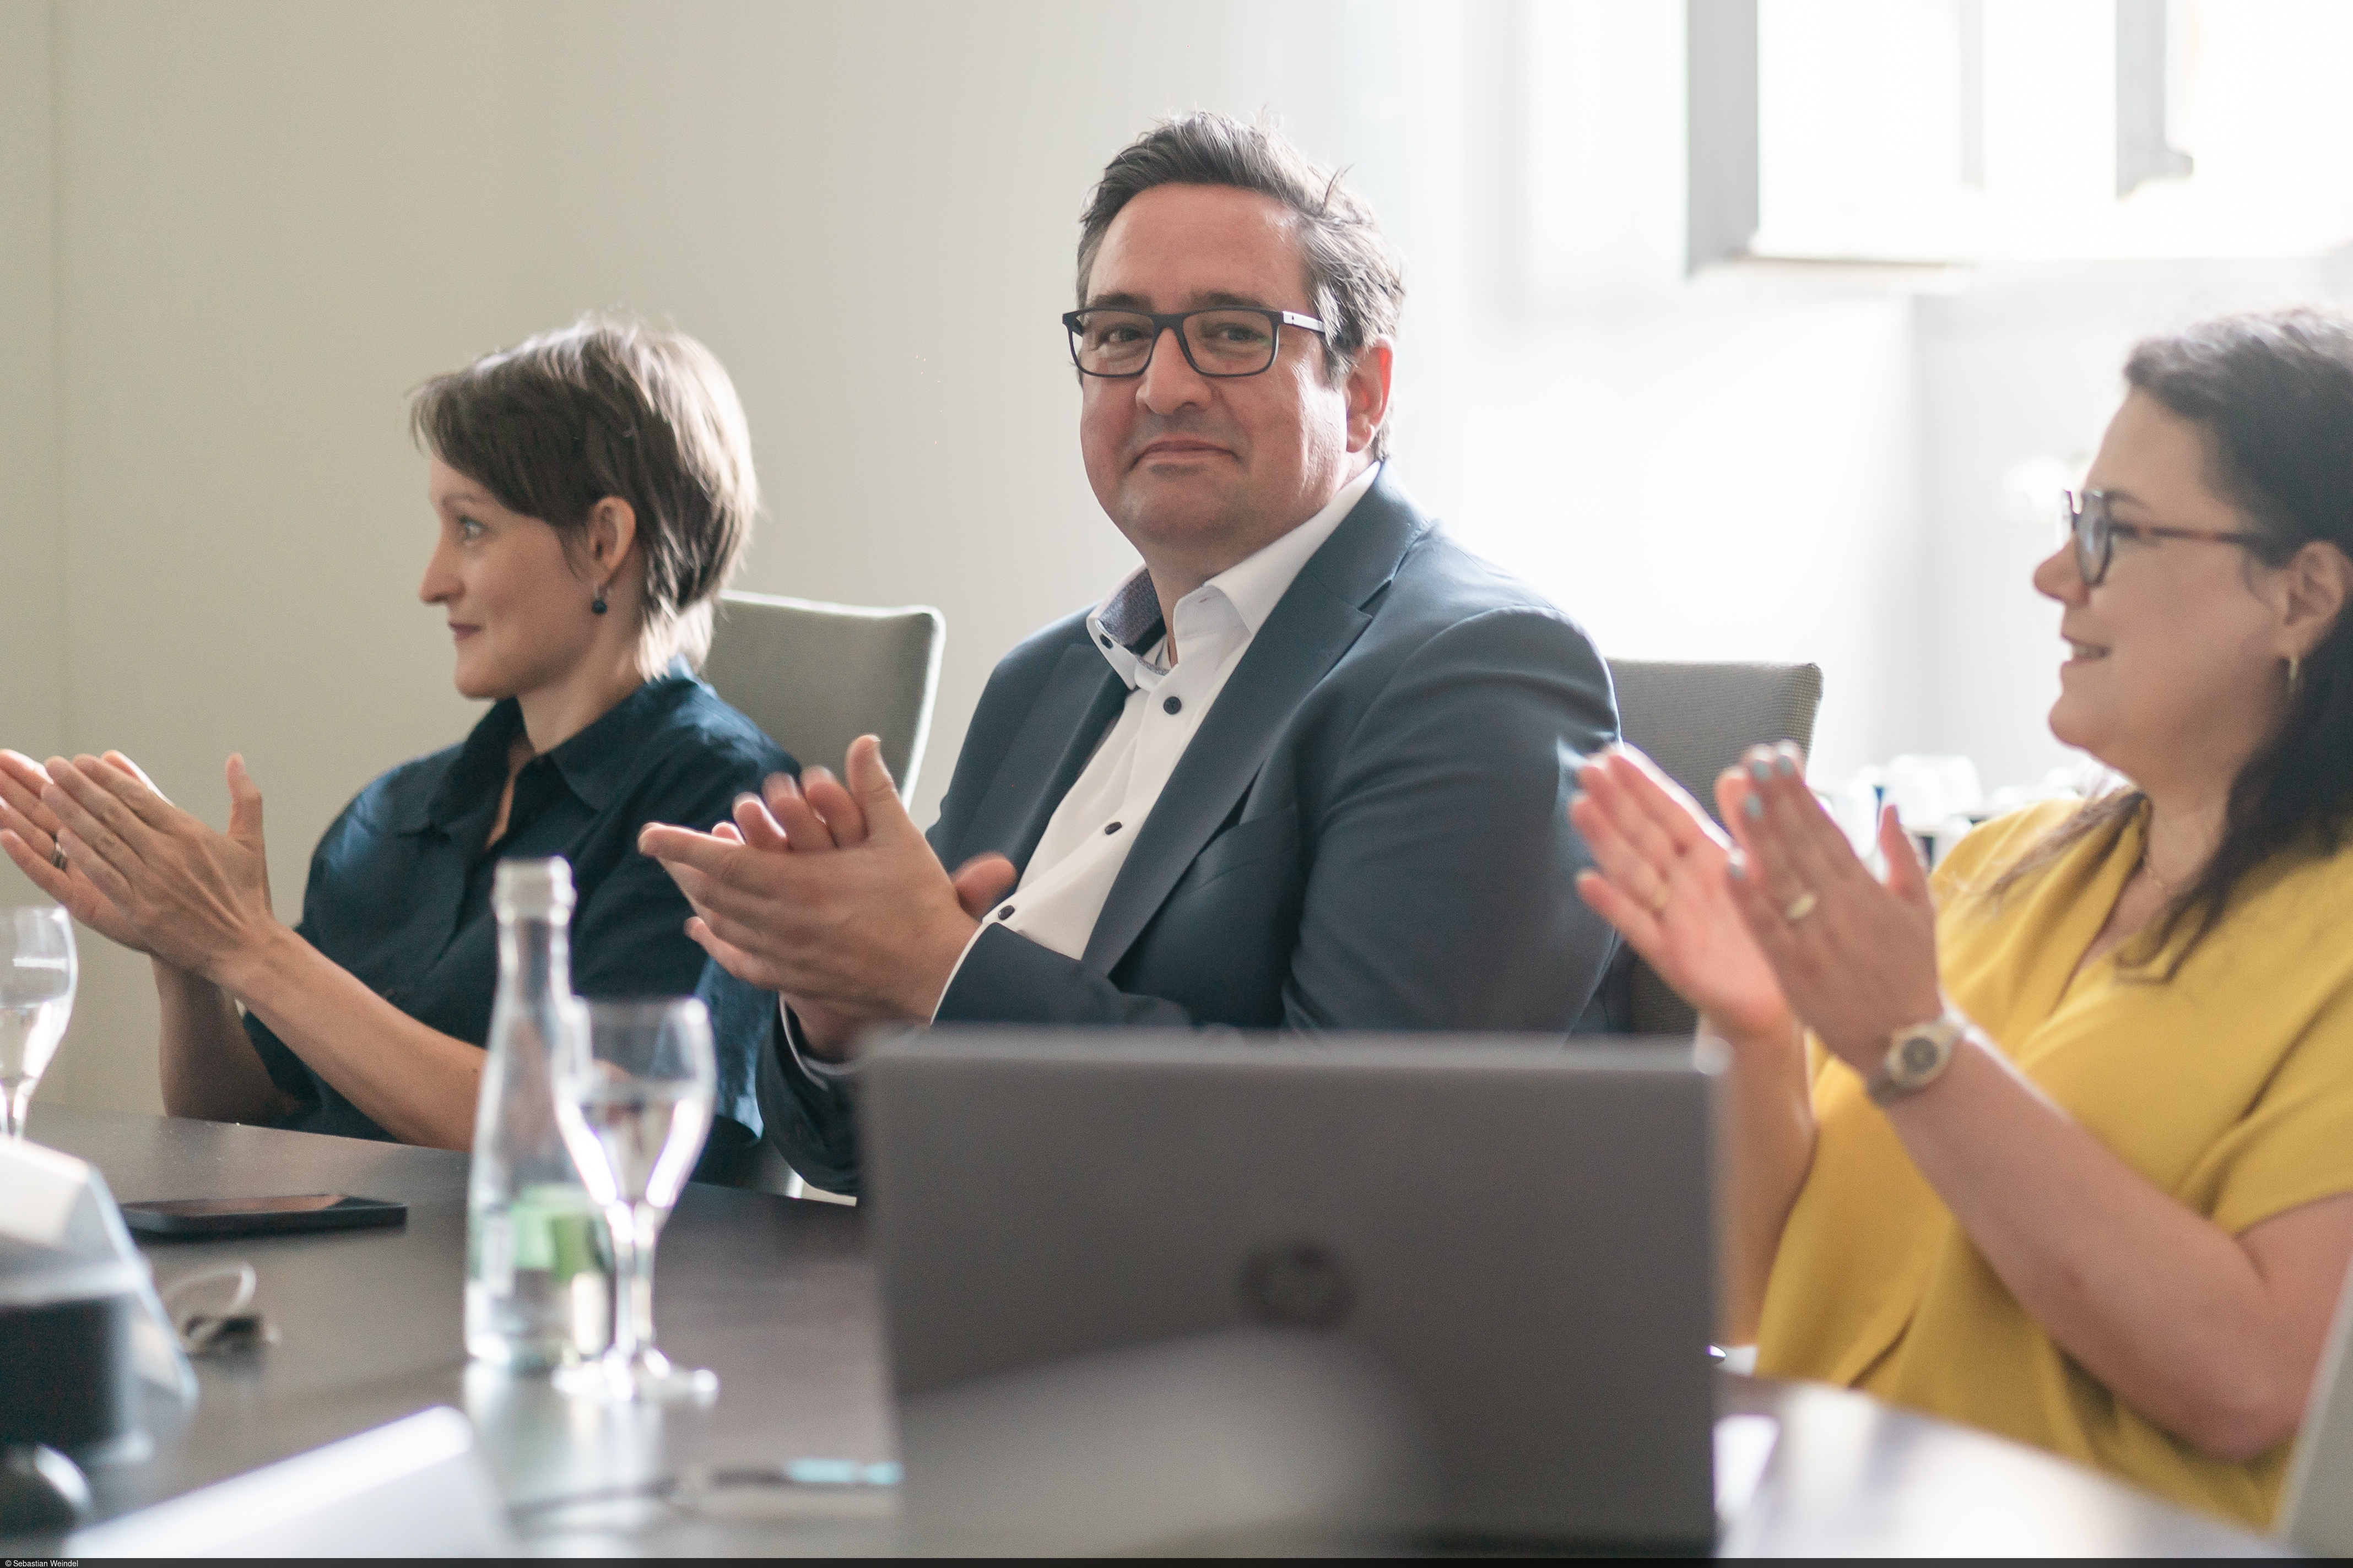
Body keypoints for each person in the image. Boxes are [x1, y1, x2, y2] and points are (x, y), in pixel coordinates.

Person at [640, 113, 1621, 1194]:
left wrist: (939, 964)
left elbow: (1361, 1151)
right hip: (967, 1307)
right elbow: (847, 1158)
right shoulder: (1042, 683)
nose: (1161, 387)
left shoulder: (1479, 670)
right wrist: (846, 1006)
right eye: (1118, 335)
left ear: (1366, 392)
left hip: (1272, 1353)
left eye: (1233, 332)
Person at [1573, 308, 2353, 1526]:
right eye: (2069, 520)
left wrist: (1912, 1047)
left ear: (2304, 595)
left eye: (2114, 531)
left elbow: (2255, 1379)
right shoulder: (2001, 866)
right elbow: (1751, 1296)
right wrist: (1758, 1021)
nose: (2057, 575)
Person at [0, 317, 793, 1165]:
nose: (431, 581)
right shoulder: (396, 812)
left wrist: (247, 943)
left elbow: (608, 1141)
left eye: (472, 528)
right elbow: (243, 1112)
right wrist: (187, 953)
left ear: (603, 542)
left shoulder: (718, 809)